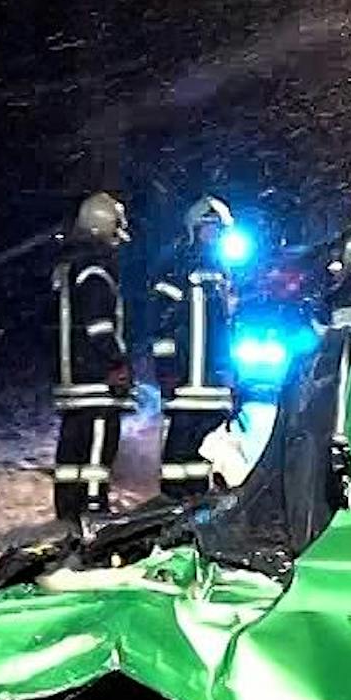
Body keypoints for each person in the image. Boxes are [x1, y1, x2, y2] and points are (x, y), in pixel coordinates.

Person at [51, 191, 134, 520]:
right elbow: (99, 326)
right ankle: (93, 505)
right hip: (95, 379)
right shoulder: (96, 271)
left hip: (72, 375)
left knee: (72, 446)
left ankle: (68, 506)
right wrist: (117, 361)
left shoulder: (68, 268)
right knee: (99, 444)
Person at [152, 195, 239, 499]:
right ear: (194, 229)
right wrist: (166, 371)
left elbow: (227, 330)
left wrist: (230, 371)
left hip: (214, 383)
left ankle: (198, 500)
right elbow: (162, 326)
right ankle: (173, 499)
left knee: (207, 447)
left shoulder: (225, 273)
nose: (213, 234)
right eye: (208, 227)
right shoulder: (176, 267)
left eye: (218, 228)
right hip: (185, 381)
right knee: (179, 446)